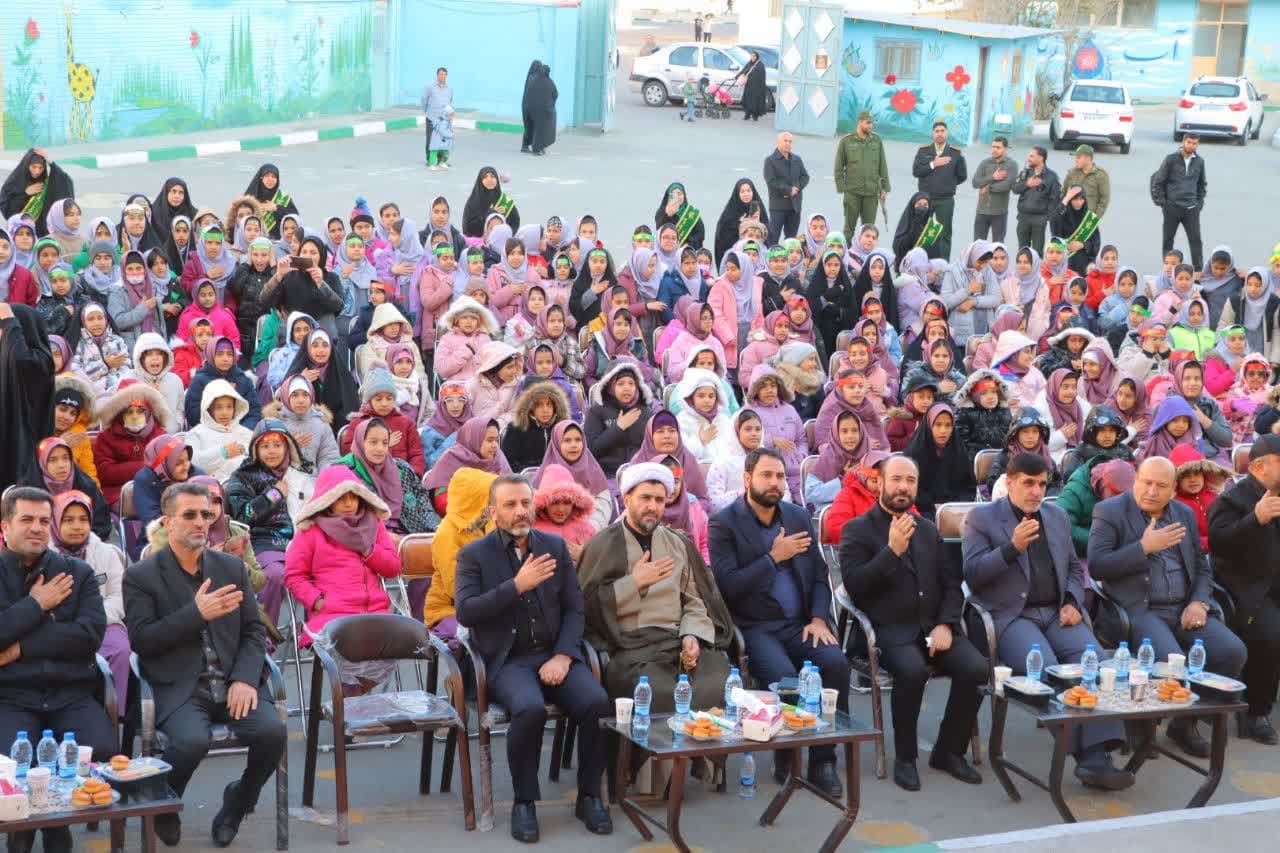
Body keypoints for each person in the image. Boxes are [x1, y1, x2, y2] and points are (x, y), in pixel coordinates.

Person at [124, 481, 287, 848]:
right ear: (167, 522)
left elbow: (253, 630)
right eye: (190, 515)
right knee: (190, 742)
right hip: (181, 686)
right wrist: (194, 614)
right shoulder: (142, 576)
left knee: (272, 733)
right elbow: (142, 641)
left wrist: (246, 678)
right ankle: (166, 804)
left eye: (206, 514)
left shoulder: (230, 567)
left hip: (233, 682)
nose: (201, 522)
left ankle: (237, 803)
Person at [454, 475, 613, 842]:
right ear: (494, 512)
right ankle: (524, 801)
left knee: (595, 702)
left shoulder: (554, 547)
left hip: (553, 654)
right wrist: (516, 586)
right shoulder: (474, 555)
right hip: (507, 661)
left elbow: (575, 610)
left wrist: (562, 656)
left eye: (525, 503)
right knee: (529, 709)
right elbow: (466, 612)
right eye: (509, 505)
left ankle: (589, 795)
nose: (520, 511)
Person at [964, 452, 1133, 789]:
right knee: (1048, 670)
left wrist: (1072, 600)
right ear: (1009, 483)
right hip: (1011, 616)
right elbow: (972, 575)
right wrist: (1011, 548)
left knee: (1095, 662)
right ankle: (1091, 757)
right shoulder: (981, 519)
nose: (1036, 491)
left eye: (1042, 484)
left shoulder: (1056, 517)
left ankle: (1098, 751)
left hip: (1056, 612)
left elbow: (1073, 567)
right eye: (1028, 483)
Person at [840, 455, 987, 791]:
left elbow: (952, 584)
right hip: (887, 631)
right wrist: (891, 551)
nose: (904, 487)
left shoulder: (928, 530)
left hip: (932, 628)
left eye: (910, 481)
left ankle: (949, 751)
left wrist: (946, 625)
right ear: (880, 482)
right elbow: (854, 588)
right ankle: (905, 758)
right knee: (912, 671)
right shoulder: (858, 530)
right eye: (897, 479)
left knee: (977, 668)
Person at [1088, 457, 1247, 758]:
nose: (1151, 490)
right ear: (1136, 480)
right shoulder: (1109, 512)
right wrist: (1143, 548)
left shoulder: (1183, 513)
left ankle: (1184, 724)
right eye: (1146, 482)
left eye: (1161, 486)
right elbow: (1097, 566)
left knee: (1232, 651)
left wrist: (1199, 602)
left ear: (1173, 490)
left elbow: (1202, 567)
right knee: (1172, 662)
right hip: (1140, 609)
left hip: (1185, 607)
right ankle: (1140, 727)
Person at [709, 449, 847, 794]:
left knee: (836, 665)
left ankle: (823, 760)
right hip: (756, 627)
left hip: (800, 623)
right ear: (747, 479)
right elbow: (729, 587)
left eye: (781, 476)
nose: (775, 483)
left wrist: (818, 618)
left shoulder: (798, 517)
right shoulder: (724, 524)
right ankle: (788, 755)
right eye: (767, 475)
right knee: (788, 682)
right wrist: (773, 557)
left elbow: (819, 573)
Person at [0, 487, 114, 853]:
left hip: (71, 695)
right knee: (14, 764)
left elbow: (89, 635)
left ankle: (56, 830)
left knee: (104, 749)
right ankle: (23, 835)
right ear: (5, 526)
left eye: (44, 521)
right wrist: (36, 605)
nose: (37, 528)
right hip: (11, 697)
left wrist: (21, 646)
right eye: (27, 520)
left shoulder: (76, 573)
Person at [577, 463, 734, 707]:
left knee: (723, 686)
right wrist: (635, 583)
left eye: (659, 500)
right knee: (660, 695)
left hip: (676, 643)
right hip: (631, 650)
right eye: (645, 498)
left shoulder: (678, 544)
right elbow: (587, 607)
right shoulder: (601, 545)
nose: (652, 506)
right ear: (627, 499)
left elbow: (695, 599)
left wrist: (691, 633)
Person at [1207, 435, 1280, 745]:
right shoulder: (1233, 499)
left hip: (1275, 585)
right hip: (1246, 590)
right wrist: (1256, 519)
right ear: (1259, 466)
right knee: (1271, 632)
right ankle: (1254, 712)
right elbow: (1219, 543)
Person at [285, 466, 399, 653]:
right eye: (341, 498)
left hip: (375, 614)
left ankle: (354, 683)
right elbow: (294, 576)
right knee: (351, 659)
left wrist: (367, 550)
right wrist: (318, 601)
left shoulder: (373, 524)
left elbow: (393, 568)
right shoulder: (312, 530)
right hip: (334, 616)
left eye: (353, 497)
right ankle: (350, 683)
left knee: (399, 643)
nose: (349, 503)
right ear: (327, 499)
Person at [0, 303, 55, 494]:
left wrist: (9, 320)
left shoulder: (40, 361)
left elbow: (21, 361)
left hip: (25, 458)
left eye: (4, 328)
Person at [911, 121, 967, 259]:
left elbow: (962, 176)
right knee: (924, 232)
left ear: (946, 133)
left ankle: (943, 265)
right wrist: (932, 164)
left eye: (942, 130)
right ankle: (922, 261)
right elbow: (916, 171)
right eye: (937, 131)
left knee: (944, 234)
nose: (940, 133)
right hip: (926, 199)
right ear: (933, 133)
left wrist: (948, 184)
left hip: (945, 200)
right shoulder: (923, 151)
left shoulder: (955, 153)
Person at [1151, 133, 1206, 272]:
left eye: (1194, 143)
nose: (1191, 145)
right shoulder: (1171, 159)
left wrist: (1199, 204)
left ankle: (1198, 272)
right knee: (1168, 240)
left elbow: (1201, 185)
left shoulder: (1199, 161)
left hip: (1191, 209)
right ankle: (1168, 270)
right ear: (1183, 142)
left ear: (1197, 144)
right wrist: (1163, 203)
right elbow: (1158, 181)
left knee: (1196, 240)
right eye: (1189, 142)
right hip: (1172, 208)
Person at [834, 111, 890, 240]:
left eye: (872, 123)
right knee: (849, 229)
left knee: (869, 230)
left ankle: (865, 258)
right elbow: (838, 166)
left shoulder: (876, 140)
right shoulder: (846, 141)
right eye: (868, 123)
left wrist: (885, 187)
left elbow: (883, 165)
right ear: (860, 122)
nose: (871, 126)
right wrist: (842, 187)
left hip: (871, 193)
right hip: (852, 192)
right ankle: (846, 257)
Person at [1011, 146, 1060, 254]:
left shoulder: (1051, 177)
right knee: (1023, 251)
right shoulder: (1025, 173)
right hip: (1023, 218)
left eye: (1032, 156)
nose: (1029, 158)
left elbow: (1055, 200)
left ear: (1041, 158)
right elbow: (1014, 188)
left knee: (1037, 252)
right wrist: (1027, 184)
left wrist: (1046, 217)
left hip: (1039, 219)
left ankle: (1037, 271)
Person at [762, 132, 809, 244]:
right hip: (778, 206)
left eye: (790, 141)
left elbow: (805, 176)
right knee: (773, 238)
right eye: (785, 141)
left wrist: (796, 188)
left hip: (795, 206)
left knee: (791, 240)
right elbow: (771, 181)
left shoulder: (797, 159)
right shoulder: (770, 161)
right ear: (778, 143)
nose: (788, 143)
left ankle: (789, 261)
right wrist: (788, 190)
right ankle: (771, 260)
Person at [971, 136, 1015, 242]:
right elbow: (975, 182)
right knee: (979, 246)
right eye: (993, 147)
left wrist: (987, 186)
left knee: (998, 247)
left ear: (1005, 149)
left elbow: (1007, 185)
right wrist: (993, 177)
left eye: (998, 147)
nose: (994, 150)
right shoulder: (985, 163)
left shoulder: (1011, 165)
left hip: (999, 213)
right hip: (982, 211)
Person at [1063, 145, 1111, 219]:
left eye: (1079, 158)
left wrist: (1095, 218)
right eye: (1075, 157)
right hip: (1070, 217)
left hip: (1088, 219)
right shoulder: (1072, 172)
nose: (1076, 160)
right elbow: (1063, 193)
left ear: (1088, 158)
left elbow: (1104, 200)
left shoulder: (1100, 175)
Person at [423, 67, 454, 170]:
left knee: (443, 140)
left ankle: (441, 160)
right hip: (432, 118)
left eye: (444, 74)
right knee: (430, 139)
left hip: (444, 120)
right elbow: (424, 100)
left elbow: (450, 102)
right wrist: (427, 111)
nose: (442, 76)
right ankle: (429, 160)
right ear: (437, 75)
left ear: (446, 76)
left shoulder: (449, 89)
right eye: (440, 74)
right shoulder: (430, 87)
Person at [525, 63, 558, 157]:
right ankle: (537, 149)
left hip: (533, 110)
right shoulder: (549, 82)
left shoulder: (533, 81)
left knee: (537, 129)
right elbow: (555, 94)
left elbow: (529, 94)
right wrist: (551, 104)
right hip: (545, 111)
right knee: (543, 130)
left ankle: (539, 147)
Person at [739, 50, 769, 122]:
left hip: (757, 87)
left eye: (754, 56)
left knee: (755, 102)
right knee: (748, 101)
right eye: (751, 56)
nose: (752, 57)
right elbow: (744, 70)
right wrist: (736, 77)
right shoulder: (749, 63)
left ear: (757, 57)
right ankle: (747, 115)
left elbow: (761, 76)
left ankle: (755, 116)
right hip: (749, 86)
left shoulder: (760, 65)